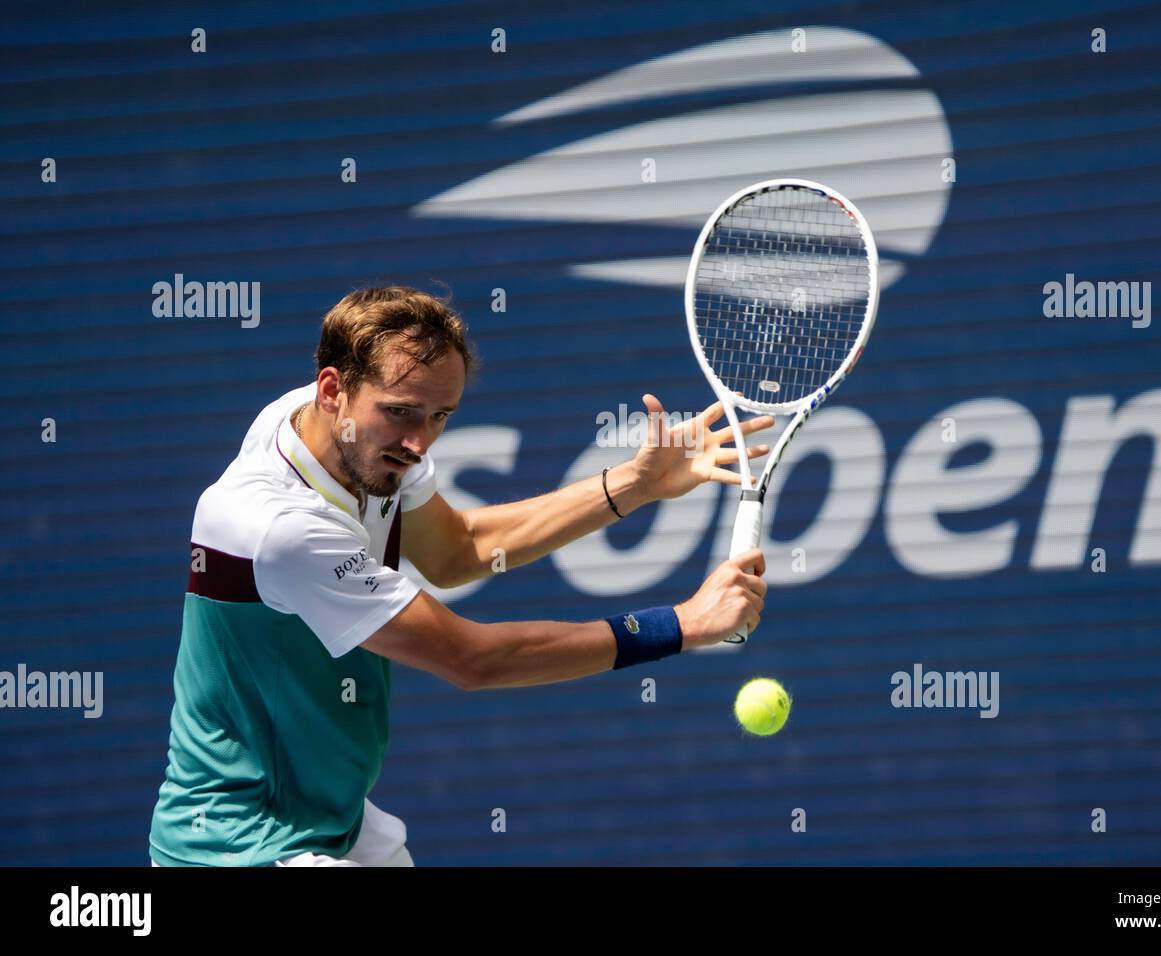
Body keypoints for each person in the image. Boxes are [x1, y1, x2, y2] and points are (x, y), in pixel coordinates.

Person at [149, 285, 772, 866]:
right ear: (331, 389)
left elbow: (460, 551)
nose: (420, 443)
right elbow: (472, 660)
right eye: (402, 413)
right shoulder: (282, 529)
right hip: (238, 840)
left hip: (332, 818)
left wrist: (633, 487)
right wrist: (681, 625)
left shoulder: (346, 433)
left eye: (440, 415)